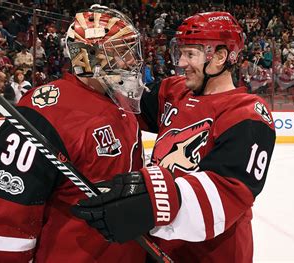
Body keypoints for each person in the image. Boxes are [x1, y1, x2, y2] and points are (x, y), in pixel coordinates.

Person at [72, 11, 276, 262]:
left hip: (209, 254)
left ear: (221, 57)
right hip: (155, 244)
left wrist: (149, 203)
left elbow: (228, 192)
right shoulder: (174, 90)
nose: (180, 62)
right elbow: (122, 103)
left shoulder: (248, 114)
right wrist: (103, 59)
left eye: (191, 54)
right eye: (181, 52)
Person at [0, 5, 148, 262]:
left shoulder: (119, 103)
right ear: (88, 57)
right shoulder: (46, 113)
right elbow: (0, 220)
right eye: (120, 52)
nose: (131, 60)